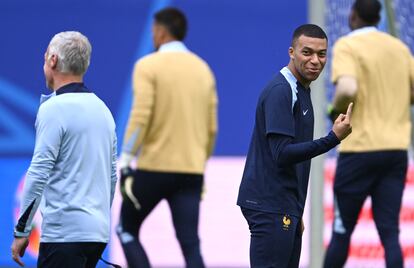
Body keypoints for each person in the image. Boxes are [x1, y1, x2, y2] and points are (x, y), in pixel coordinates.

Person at [237, 24, 353, 268]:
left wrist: (295, 209)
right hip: (270, 204)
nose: (315, 61)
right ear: (291, 52)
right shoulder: (282, 90)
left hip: (284, 205)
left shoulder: (302, 89)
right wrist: (333, 138)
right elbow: (282, 154)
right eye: (307, 52)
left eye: (321, 54)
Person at [116, 7, 218, 268]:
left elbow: (141, 116)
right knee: (190, 244)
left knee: (126, 228)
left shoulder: (148, 65)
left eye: (153, 31)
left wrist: (126, 158)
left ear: (160, 32)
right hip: (191, 171)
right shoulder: (203, 69)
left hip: (154, 168)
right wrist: (200, 164)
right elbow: (211, 128)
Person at [10, 31, 118, 268]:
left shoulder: (54, 109)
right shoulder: (103, 110)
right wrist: (96, 220)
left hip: (64, 235)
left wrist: (22, 231)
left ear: (53, 60)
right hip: (96, 234)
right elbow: (111, 176)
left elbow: (38, 173)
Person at [324, 0, 414, 267]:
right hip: (395, 151)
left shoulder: (348, 46)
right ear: (378, 18)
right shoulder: (399, 48)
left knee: (341, 233)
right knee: (390, 234)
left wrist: (335, 110)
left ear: (352, 16)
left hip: (358, 151)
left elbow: (348, 89)